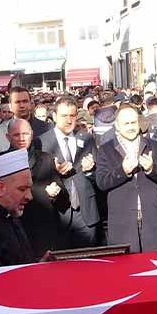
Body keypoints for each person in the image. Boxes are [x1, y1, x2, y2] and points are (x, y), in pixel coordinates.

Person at [96, 105, 157, 253]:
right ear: (117, 126)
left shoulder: (154, 146)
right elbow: (101, 182)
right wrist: (123, 171)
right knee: (125, 270)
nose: (130, 127)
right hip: (123, 223)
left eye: (133, 123)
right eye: (126, 123)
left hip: (151, 221)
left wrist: (151, 169)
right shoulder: (106, 149)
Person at [38, 97, 100, 248]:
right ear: (54, 117)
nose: (68, 120)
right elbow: (36, 179)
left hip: (86, 214)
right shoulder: (41, 142)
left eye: (72, 116)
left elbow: (99, 177)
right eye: (64, 116)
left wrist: (90, 171)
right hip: (58, 215)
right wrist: (55, 173)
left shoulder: (87, 139)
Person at [7, 119, 67, 259]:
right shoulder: (0, 163)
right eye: (16, 135)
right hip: (14, 232)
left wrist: (56, 193)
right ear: (7, 137)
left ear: (32, 134)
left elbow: (63, 197)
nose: (22, 138)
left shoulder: (46, 159)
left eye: (25, 134)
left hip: (43, 231)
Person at [0, 87, 52, 156]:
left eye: (25, 101)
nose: (22, 106)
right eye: (17, 102)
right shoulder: (0, 131)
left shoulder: (47, 128)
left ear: (31, 104)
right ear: (10, 106)